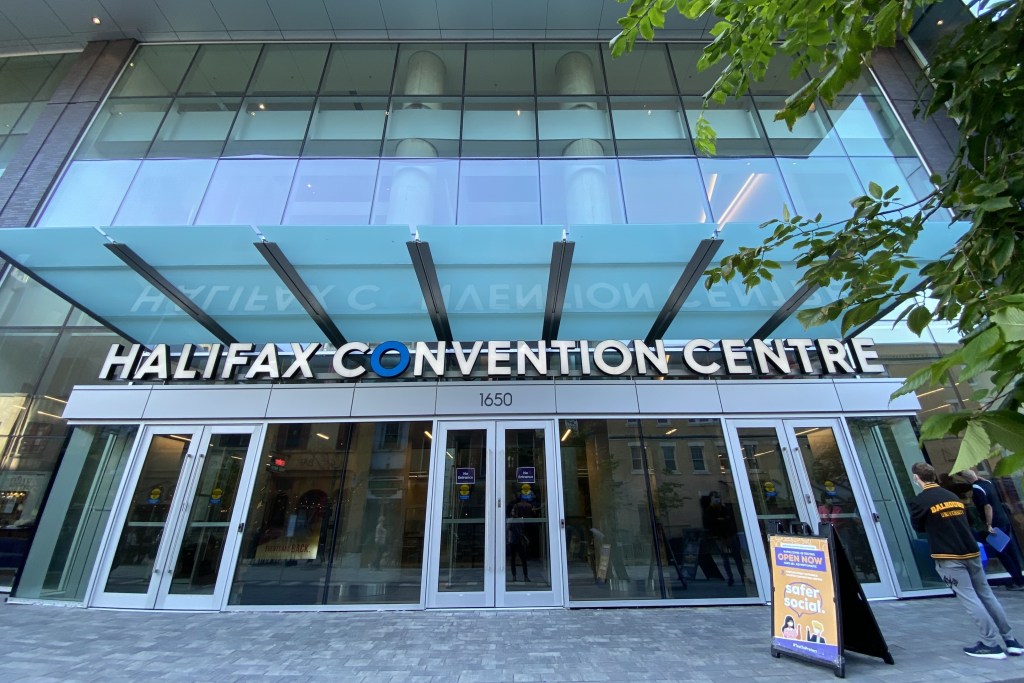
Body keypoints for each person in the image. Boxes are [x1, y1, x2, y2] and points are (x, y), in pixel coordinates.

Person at [908, 462, 1022, 659]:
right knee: (986, 594)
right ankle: (1011, 640)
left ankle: (989, 644)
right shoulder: (952, 496)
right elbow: (967, 521)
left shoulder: (920, 501)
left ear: (917, 478)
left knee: (970, 598)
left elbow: (918, 527)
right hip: (971, 552)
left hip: (948, 555)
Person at [960, 469, 1024, 590]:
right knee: (1010, 550)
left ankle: (1018, 581)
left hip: (995, 523)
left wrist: (989, 524)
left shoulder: (977, 489)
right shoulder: (988, 483)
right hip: (1004, 519)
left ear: (967, 479)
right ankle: (1019, 577)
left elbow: (987, 507)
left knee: (1002, 552)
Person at [702, 491, 746, 586]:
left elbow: (731, 519)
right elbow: (708, 523)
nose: (716, 500)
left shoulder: (725, 508)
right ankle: (730, 578)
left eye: (717, 498)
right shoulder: (709, 511)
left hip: (730, 534)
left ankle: (743, 576)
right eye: (714, 498)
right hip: (720, 536)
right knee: (725, 558)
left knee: (736, 557)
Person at [507, 489, 536, 582]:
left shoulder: (515, 519)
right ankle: (522, 576)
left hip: (515, 540)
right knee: (519, 559)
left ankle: (520, 576)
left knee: (517, 559)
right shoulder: (518, 520)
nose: (513, 513)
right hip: (515, 540)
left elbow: (509, 530)